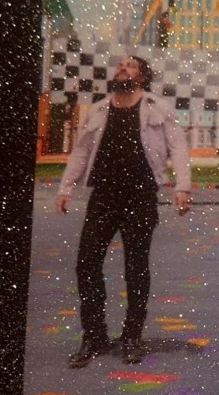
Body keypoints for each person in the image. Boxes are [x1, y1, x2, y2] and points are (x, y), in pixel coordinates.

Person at [56, 53, 191, 367]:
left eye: (130, 66)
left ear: (142, 76)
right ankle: (94, 336)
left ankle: (132, 336)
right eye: (120, 65)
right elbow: (81, 152)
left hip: (140, 195)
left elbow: (178, 147)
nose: (122, 68)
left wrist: (182, 186)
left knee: (136, 267)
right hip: (103, 196)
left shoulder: (157, 107)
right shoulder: (100, 109)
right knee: (86, 263)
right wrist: (65, 188)